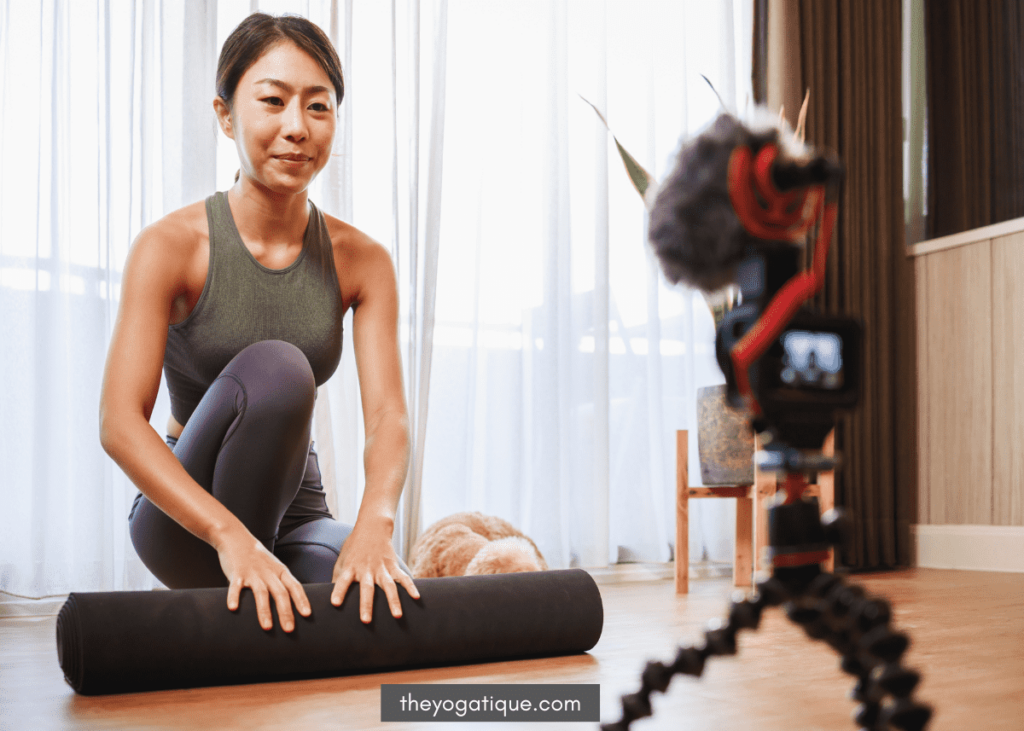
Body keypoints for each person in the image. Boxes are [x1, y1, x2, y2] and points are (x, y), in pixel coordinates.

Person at [99, 12, 419, 634]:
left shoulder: (364, 261)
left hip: (297, 516)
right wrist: (231, 537)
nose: (296, 128)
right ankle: (242, 574)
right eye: (272, 101)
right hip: (187, 523)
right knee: (278, 368)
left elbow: (388, 416)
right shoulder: (171, 247)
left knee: (380, 603)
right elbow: (118, 422)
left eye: (318, 107)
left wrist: (376, 525)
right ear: (225, 115)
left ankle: (254, 612)